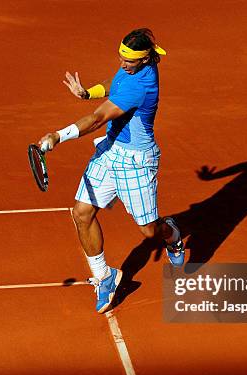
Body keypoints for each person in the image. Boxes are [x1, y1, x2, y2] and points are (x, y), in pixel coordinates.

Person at [38, 28, 184, 314]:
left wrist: (58, 135)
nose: (122, 64)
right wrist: (88, 92)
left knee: (149, 232)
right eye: (120, 58)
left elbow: (97, 119)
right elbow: (114, 82)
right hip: (110, 151)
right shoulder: (132, 71)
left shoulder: (140, 86)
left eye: (128, 61)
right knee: (81, 212)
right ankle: (105, 276)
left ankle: (173, 235)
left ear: (144, 60)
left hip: (136, 163)